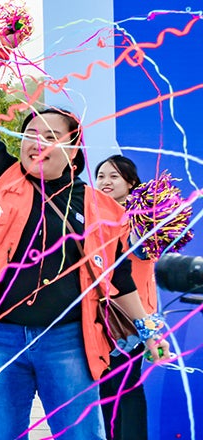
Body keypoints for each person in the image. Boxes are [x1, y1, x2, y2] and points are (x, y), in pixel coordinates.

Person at [0, 17, 173, 439]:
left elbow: (120, 279)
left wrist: (149, 330)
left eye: (50, 135)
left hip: (67, 341)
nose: (36, 141)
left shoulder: (99, 208)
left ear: (73, 149)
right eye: (29, 133)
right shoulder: (0, 178)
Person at [95, 154, 152, 440]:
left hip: (130, 318)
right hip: (98, 315)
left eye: (114, 176)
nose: (106, 181)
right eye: (101, 176)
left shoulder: (142, 218)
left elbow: (141, 250)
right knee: (107, 389)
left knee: (125, 387)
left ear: (131, 183)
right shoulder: (93, 216)